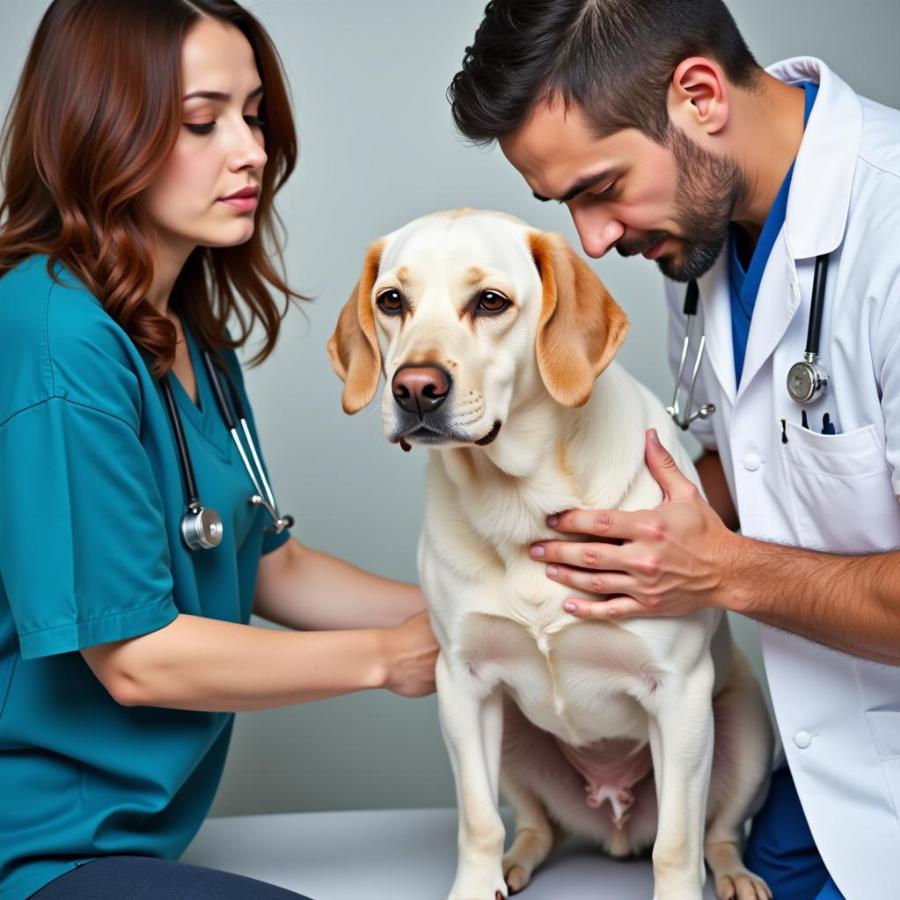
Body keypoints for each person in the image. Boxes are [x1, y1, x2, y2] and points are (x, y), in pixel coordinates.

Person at [448, 1, 900, 898]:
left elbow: (735, 543)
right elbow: (766, 456)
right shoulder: (693, 241)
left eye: (600, 187)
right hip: (820, 759)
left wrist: (719, 572)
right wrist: (596, 532)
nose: (593, 239)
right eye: (563, 205)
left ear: (699, 96)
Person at [0, 2, 439, 898]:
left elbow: (271, 564)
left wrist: (484, 605)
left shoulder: (185, 328)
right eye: (204, 122)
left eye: (253, 115)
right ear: (100, 132)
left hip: (132, 846)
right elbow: (136, 658)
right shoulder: (53, 334)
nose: (251, 151)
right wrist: (391, 657)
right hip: (34, 853)